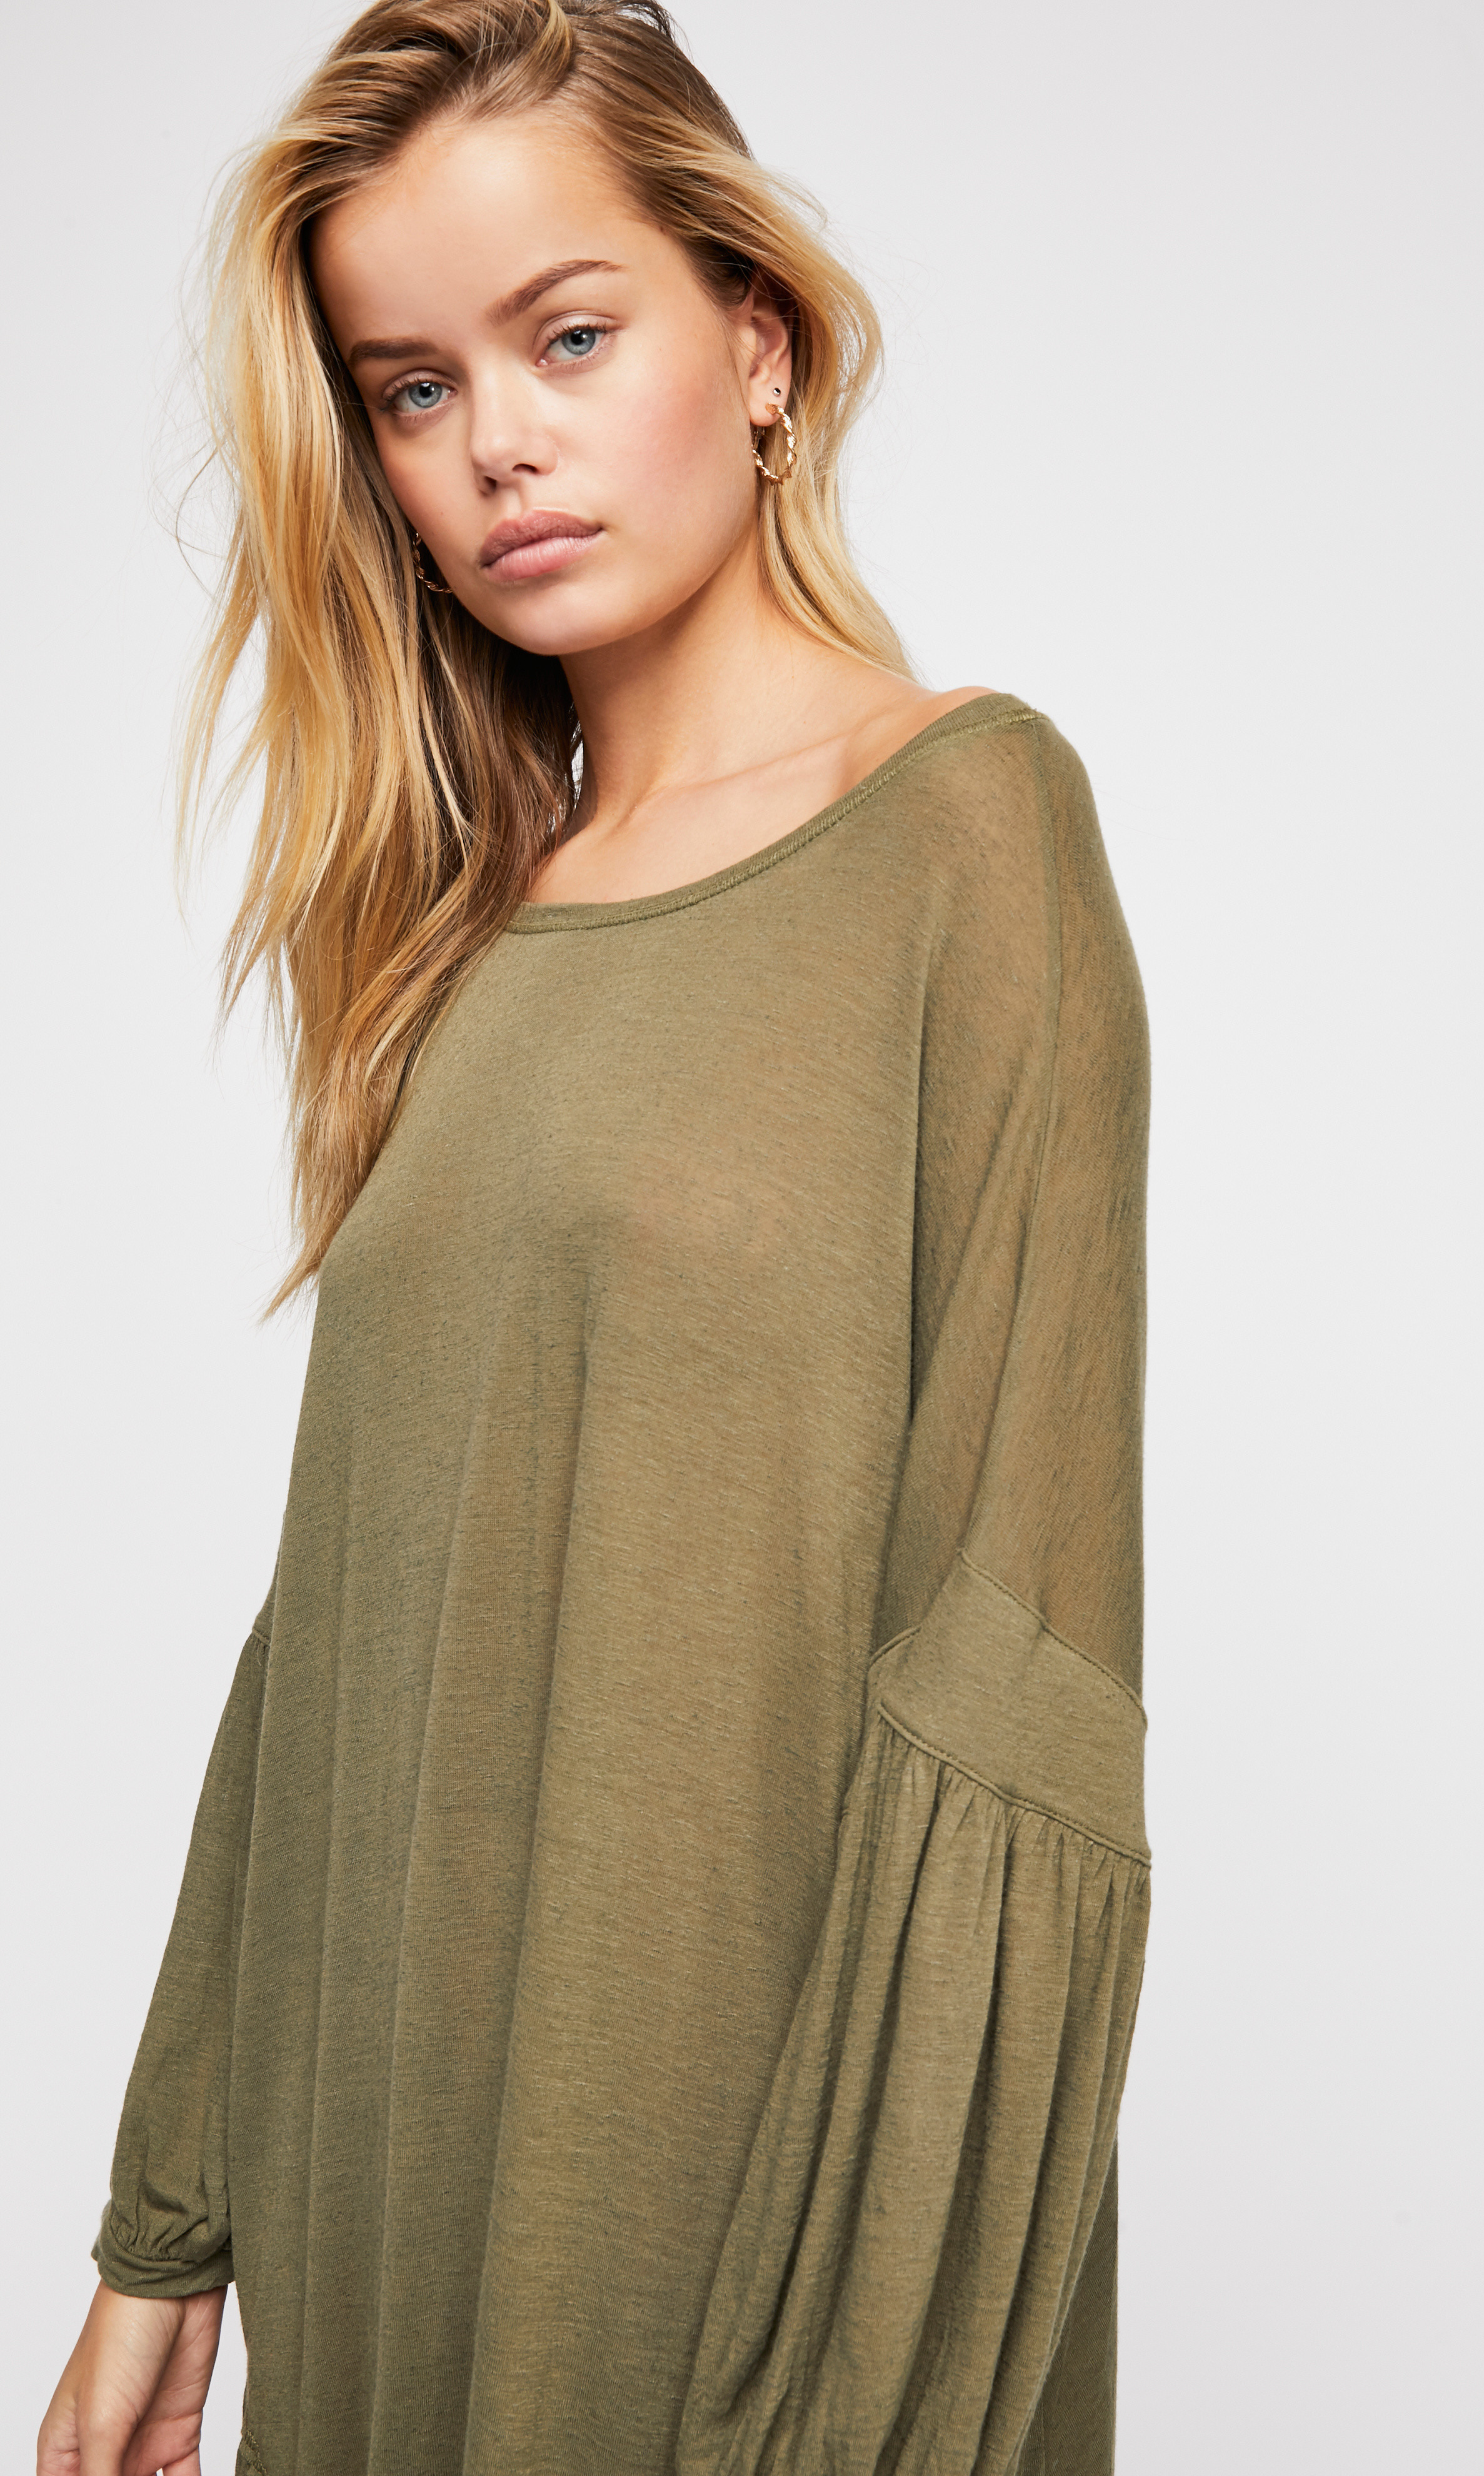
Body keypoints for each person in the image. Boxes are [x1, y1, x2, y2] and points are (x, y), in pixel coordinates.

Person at [38, 3, 1151, 2470]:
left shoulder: (967, 832)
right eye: (413, 388)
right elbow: (331, 1636)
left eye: (567, 336)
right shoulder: (457, 936)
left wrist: (856, 2390)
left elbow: (1019, 1667)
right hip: (382, 2174)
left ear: (758, 345)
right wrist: (165, 2225)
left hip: (730, 2219)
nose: (497, 447)